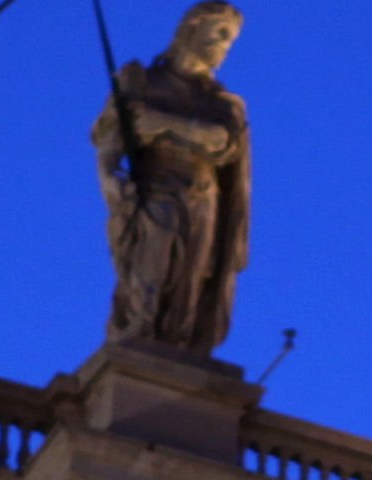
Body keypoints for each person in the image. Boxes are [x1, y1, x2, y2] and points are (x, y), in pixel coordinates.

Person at [97, 2, 250, 355]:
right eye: (221, 34)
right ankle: (137, 350)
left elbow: (225, 142)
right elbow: (110, 144)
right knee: (149, 280)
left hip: (203, 197)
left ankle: (178, 355)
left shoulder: (223, 101)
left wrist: (164, 124)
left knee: (189, 286)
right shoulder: (142, 80)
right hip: (155, 190)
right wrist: (114, 184)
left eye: (231, 41)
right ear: (194, 28)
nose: (225, 46)